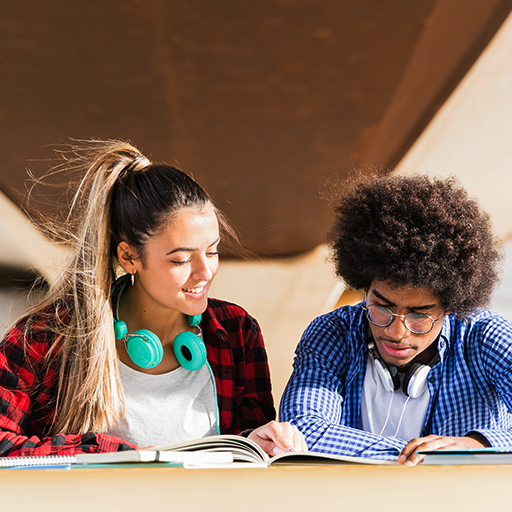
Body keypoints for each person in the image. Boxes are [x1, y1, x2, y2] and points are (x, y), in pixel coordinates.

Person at [0, 139, 306, 458]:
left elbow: (248, 458)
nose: (205, 272)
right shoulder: (46, 337)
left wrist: (260, 441)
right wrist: (109, 453)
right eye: (181, 260)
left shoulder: (237, 331)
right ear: (130, 257)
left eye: (212, 251)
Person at [280, 172, 512, 466]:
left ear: (451, 307)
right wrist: (424, 458)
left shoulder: (485, 336)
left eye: (419, 314)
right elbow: (303, 431)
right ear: (364, 286)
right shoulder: (333, 333)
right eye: (382, 307)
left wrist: (478, 444)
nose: (397, 331)